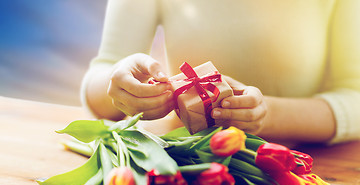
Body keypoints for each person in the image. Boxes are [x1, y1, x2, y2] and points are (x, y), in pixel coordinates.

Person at [81, 0, 360, 144]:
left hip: (300, 173)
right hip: (189, 170)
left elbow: (355, 97)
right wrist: (118, 86)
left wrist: (266, 115)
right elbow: (100, 82)